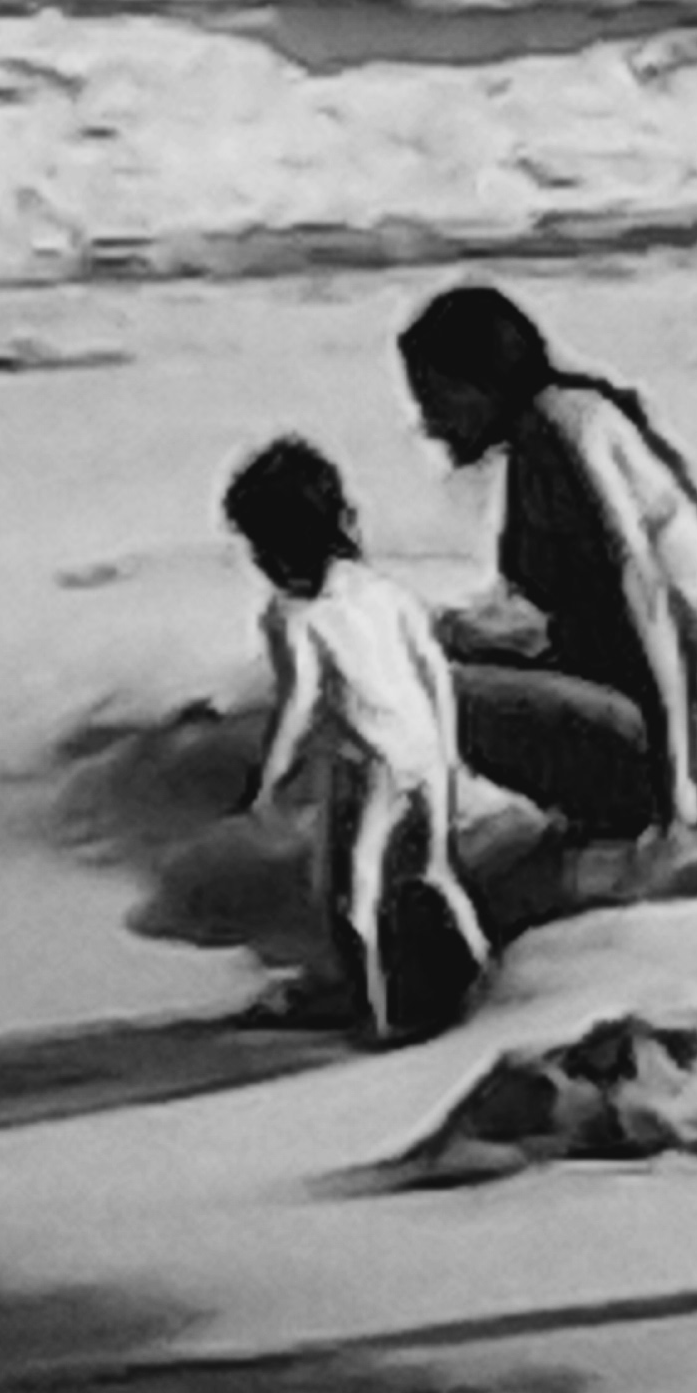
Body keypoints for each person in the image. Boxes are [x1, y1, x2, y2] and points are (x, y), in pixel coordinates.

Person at [399, 284, 697, 845]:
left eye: (435, 398)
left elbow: (644, 599)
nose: (429, 424)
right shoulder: (555, 427)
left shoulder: (561, 429)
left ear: (482, 382)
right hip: (692, 732)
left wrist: (678, 790)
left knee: (416, 687)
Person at [225, 436, 493, 1047]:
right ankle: (490, 986)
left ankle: (374, 1014)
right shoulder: (385, 592)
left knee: (354, 897)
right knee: (436, 873)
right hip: (425, 754)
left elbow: (299, 703)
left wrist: (269, 779)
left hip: (371, 764)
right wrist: (449, 753)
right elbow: (433, 673)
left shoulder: (293, 616)